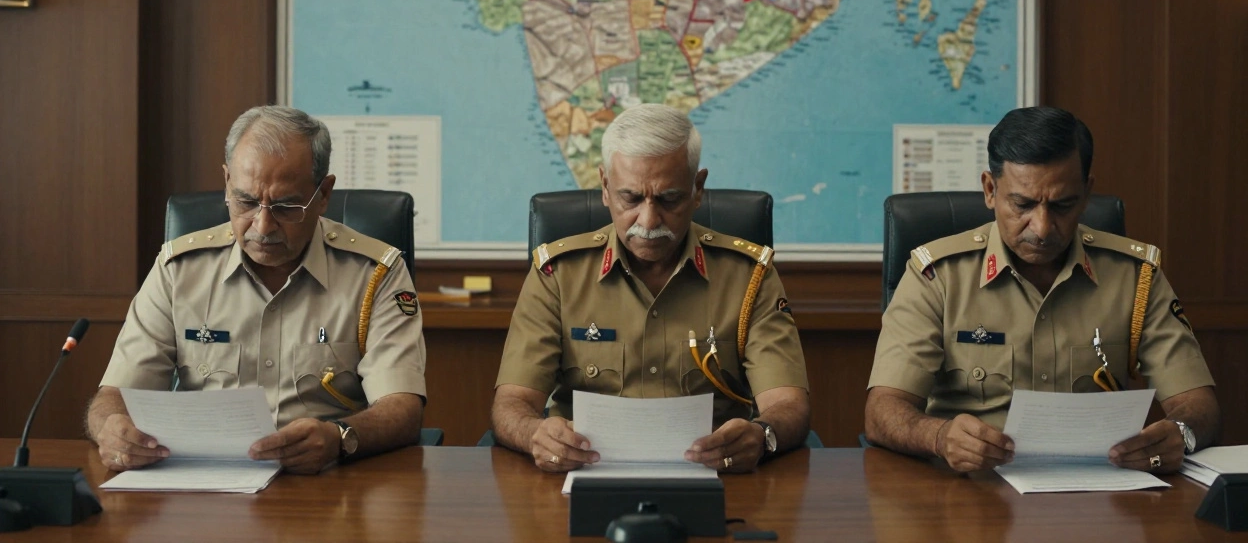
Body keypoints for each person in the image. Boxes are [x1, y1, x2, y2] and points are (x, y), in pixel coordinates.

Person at [866, 106, 1219, 474]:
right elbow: (882, 411)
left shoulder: (1134, 277)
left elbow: (1199, 404)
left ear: (1086, 193)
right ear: (990, 190)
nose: (1043, 227)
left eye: (1062, 205)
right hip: (973, 494)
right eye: (1023, 204)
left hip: (1102, 495)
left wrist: (1181, 433)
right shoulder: (938, 277)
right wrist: (939, 437)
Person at [86, 106, 427, 474]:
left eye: (285, 206)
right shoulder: (178, 271)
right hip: (202, 486)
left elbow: (402, 407)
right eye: (246, 202)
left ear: (323, 194)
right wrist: (111, 429)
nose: (262, 226)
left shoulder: (374, 274)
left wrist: (340, 436)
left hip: (326, 486)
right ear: (227, 181)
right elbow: (115, 395)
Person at [491, 104, 810, 474]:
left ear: (698, 189)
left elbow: (789, 404)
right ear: (605, 188)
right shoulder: (559, 275)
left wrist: (762, 434)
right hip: (583, 475)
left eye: (668, 198)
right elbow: (511, 402)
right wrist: (535, 434)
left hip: (720, 478)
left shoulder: (748, 276)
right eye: (631, 198)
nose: (648, 220)